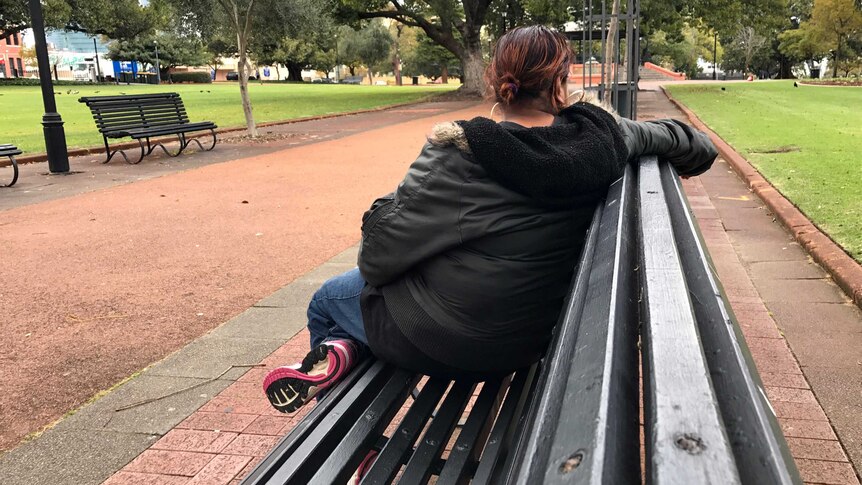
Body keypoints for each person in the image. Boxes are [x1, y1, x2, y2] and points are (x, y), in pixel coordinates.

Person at [263, 25, 718, 414]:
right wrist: (689, 154)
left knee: (328, 298)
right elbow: (690, 143)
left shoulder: (461, 156)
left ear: (497, 80)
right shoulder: (603, 139)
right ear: (560, 83)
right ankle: (349, 349)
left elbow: (378, 261)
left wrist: (385, 207)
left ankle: (347, 409)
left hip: (451, 340)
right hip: (530, 337)